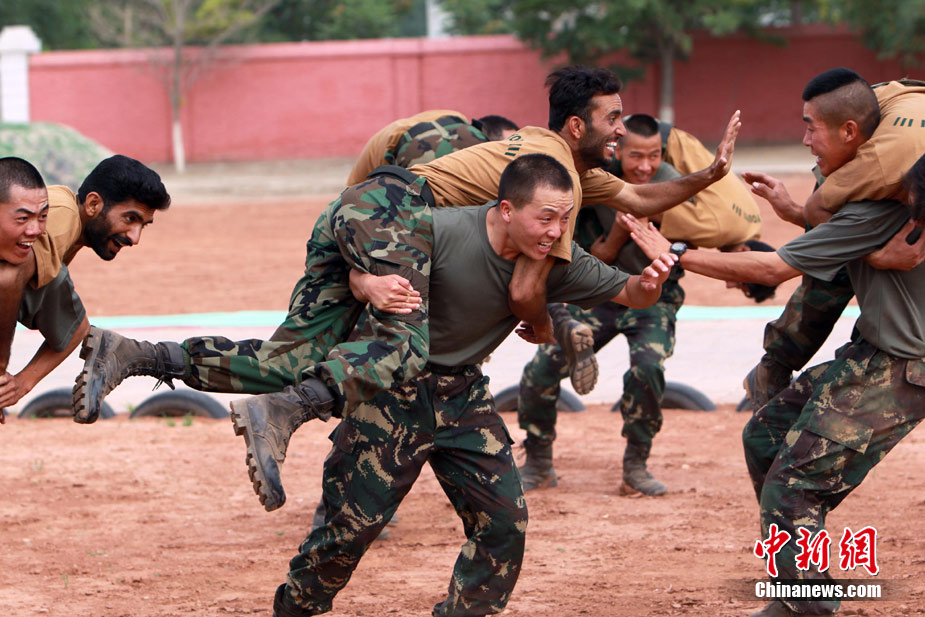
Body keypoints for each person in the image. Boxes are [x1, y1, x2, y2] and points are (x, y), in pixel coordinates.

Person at [73, 65, 740, 509]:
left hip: (357, 212)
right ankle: (284, 411)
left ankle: (132, 355)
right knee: (404, 345)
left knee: (285, 358)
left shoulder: (561, 161)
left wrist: (710, 174)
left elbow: (640, 197)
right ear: (576, 126)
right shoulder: (551, 179)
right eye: (612, 118)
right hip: (389, 213)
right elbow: (524, 293)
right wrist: (543, 327)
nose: (623, 128)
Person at [263, 153, 678, 617]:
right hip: (390, 392)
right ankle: (294, 609)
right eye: (545, 218)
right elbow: (346, 269)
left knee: (504, 523)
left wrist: (651, 282)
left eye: (565, 219)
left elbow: (631, 292)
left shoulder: (557, 259)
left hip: (463, 395)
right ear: (506, 209)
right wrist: (364, 281)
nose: (556, 231)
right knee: (348, 532)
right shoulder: (439, 229)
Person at [625, 136, 925, 616]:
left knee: (794, 486)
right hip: (869, 354)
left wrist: (675, 251)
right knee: (765, 437)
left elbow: (772, 270)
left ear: (851, 137)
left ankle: (806, 604)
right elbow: (830, 254)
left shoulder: (883, 214)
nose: (807, 142)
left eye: (813, 129)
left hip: (903, 368)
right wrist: (798, 214)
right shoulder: (869, 215)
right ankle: (800, 579)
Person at [517, 113, 776, 495]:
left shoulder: (675, 187)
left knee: (648, 369)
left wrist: (670, 246)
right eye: (636, 156)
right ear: (618, 150)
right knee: (542, 367)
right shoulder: (599, 181)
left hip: (655, 296)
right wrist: (618, 233)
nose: (645, 166)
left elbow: (706, 241)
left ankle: (635, 466)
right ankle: (538, 462)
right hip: (601, 290)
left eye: (653, 155)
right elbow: (591, 257)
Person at [741, 71, 925, 410]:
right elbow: (817, 210)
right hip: (874, 130)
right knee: (838, 259)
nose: (804, 140)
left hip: (893, 123)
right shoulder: (878, 163)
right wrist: (875, 256)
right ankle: (776, 365)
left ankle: (871, 342)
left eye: (810, 130)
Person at [3, 155, 170, 409]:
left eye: (143, 226)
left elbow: (76, 330)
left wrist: (18, 386)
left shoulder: (65, 228)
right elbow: (9, 277)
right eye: (130, 219)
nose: (135, 238)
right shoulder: (64, 217)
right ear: (93, 204)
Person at [0, 157, 55, 417]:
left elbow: (77, 327)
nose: (35, 230)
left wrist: (18, 384)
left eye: (42, 217)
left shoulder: (42, 253)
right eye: (22, 218)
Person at [345, 110, 508, 186]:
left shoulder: (380, 140)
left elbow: (351, 200)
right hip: (463, 132)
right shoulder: (451, 113)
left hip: (411, 148)